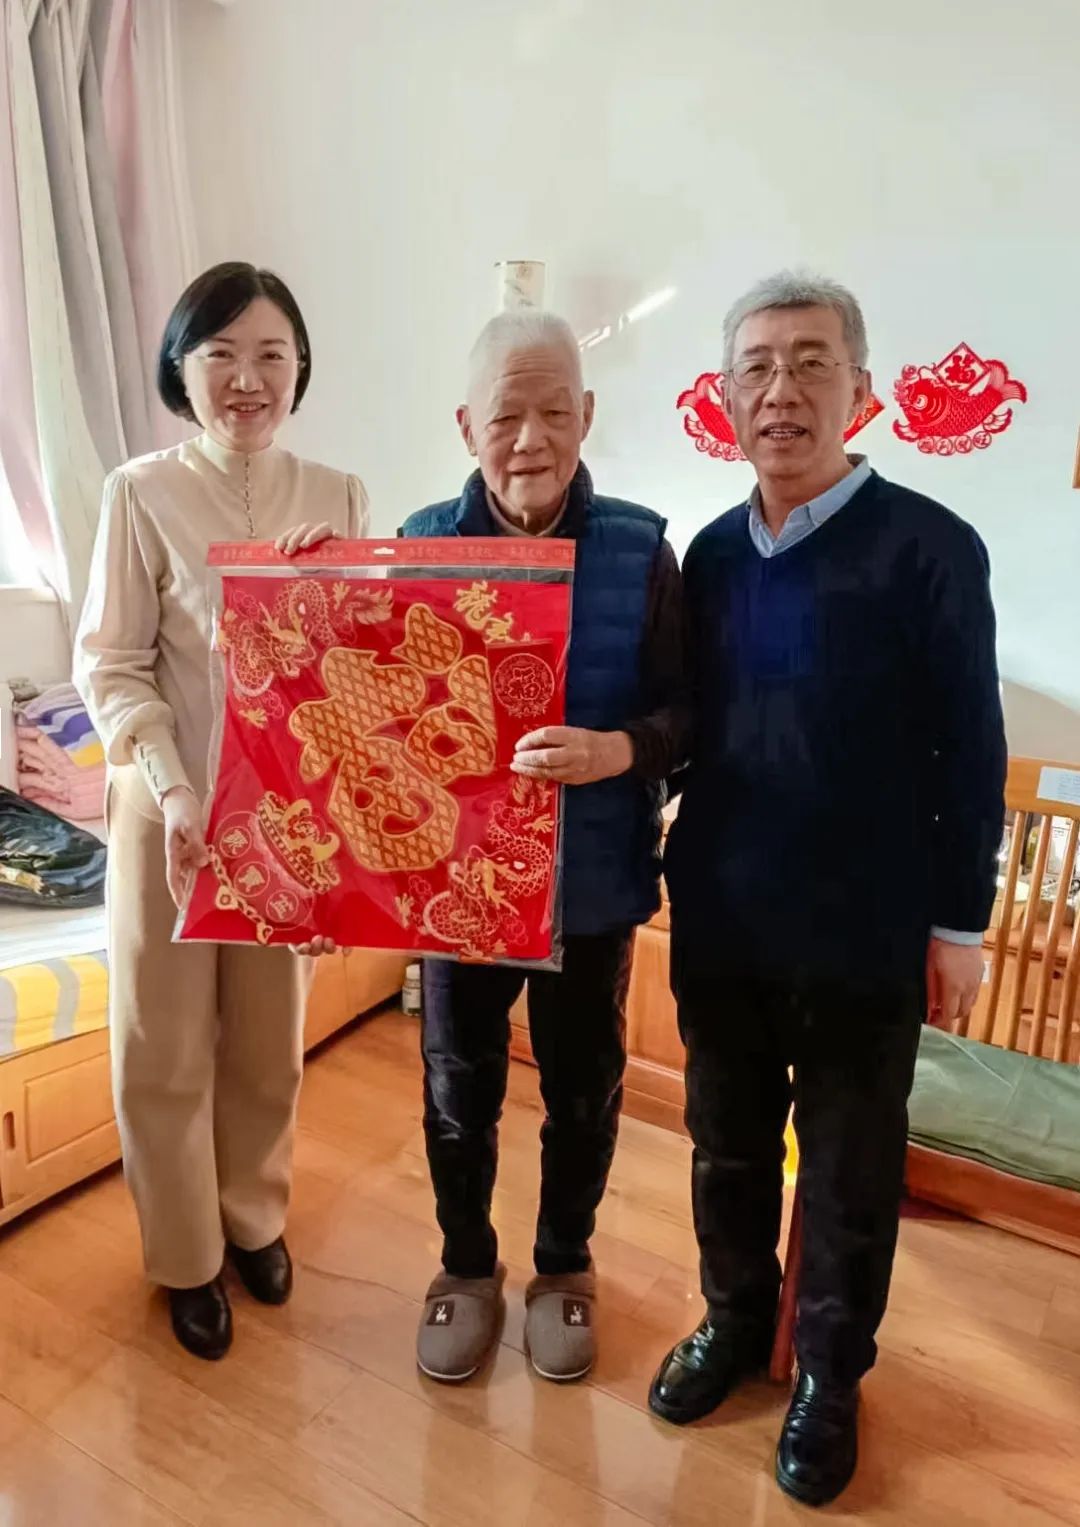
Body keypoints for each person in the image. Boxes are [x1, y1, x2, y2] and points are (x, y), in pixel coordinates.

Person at [647, 272, 1006, 1506]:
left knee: (852, 1165)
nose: (780, 391)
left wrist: (961, 923)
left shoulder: (931, 549)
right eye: (754, 367)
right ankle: (734, 1323)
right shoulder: (708, 556)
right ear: (725, 395)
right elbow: (683, 729)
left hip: (866, 926)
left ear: (861, 388)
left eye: (810, 362)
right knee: (725, 1144)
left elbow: (972, 749)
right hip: (724, 914)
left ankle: (832, 1377)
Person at [75, 262, 368, 1360]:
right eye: (221, 356)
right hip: (168, 809)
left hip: (283, 818)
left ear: (299, 369)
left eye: (271, 356)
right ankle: (187, 1255)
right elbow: (111, 664)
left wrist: (333, 594)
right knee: (162, 1045)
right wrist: (171, 783)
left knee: (267, 1039)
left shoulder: (338, 494)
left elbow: (361, 665)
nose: (248, 379)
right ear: (181, 370)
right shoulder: (139, 491)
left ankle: (252, 1218)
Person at [400, 310, 684, 1385]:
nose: (530, 439)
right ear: (466, 424)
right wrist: (310, 573)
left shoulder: (642, 550)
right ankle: (465, 1265)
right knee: (455, 1087)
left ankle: (565, 1266)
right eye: (506, 415)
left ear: (588, 415)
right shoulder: (420, 545)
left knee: (583, 1088)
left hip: (592, 883)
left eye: (554, 411)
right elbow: (363, 704)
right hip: (459, 886)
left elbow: (690, 713)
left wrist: (618, 750)